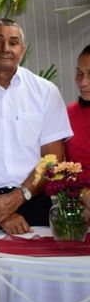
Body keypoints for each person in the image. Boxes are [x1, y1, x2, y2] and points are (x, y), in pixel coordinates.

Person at [0, 19, 73, 235]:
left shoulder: (45, 92)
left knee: (36, 268)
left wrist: (20, 196)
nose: (6, 49)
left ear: (22, 49)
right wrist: (0, 209)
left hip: (33, 202)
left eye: (13, 42)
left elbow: (53, 158)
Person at [66, 45, 90, 211]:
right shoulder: (68, 114)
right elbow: (59, 165)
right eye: (79, 74)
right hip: (76, 211)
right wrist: (84, 196)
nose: (83, 82)